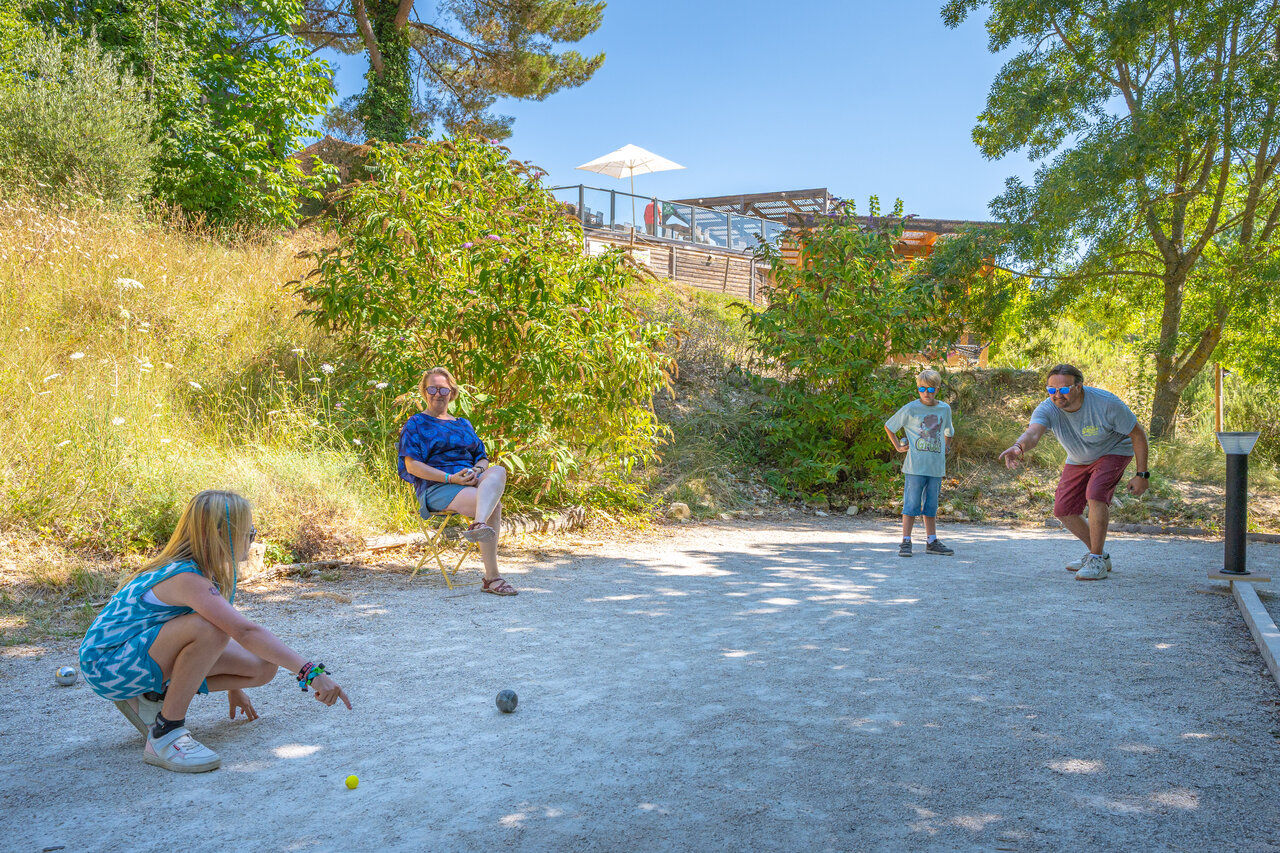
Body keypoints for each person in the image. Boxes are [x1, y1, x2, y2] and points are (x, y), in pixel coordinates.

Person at [79, 490, 352, 774]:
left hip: (137, 654)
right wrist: (311, 673)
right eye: (249, 532)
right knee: (210, 629)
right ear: (221, 534)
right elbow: (244, 631)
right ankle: (165, 734)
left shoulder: (204, 573)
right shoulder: (186, 577)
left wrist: (235, 686)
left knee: (262, 666)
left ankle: (151, 698)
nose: (252, 539)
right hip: (106, 666)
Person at [998, 363, 1150, 581]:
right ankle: (1100, 556)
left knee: (1095, 494)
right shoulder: (1048, 408)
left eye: (1063, 389)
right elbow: (1033, 434)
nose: (1057, 395)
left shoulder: (1106, 403)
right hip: (1079, 458)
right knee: (1063, 509)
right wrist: (1018, 447)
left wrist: (1142, 474)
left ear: (1079, 387)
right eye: (1051, 389)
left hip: (1113, 450)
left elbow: (1138, 435)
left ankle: (1095, 558)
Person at [397, 366, 517, 596]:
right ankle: (492, 578)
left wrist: (475, 471)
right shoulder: (416, 423)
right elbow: (412, 465)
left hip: (469, 480)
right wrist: (450, 478)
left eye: (443, 389)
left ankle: (478, 524)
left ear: (452, 392)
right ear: (424, 391)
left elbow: (482, 457)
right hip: (438, 486)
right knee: (493, 505)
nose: (437, 394)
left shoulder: (463, 424)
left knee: (498, 470)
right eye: (432, 389)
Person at [884, 369, 955, 558]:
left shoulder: (944, 409)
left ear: (937, 389)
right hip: (915, 467)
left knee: (931, 505)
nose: (926, 393)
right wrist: (898, 446)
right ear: (917, 389)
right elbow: (889, 426)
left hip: (935, 467)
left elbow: (949, 431)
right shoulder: (911, 408)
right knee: (911, 504)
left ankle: (931, 541)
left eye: (930, 389)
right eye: (922, 389)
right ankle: (906, 541)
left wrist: (946, 447)